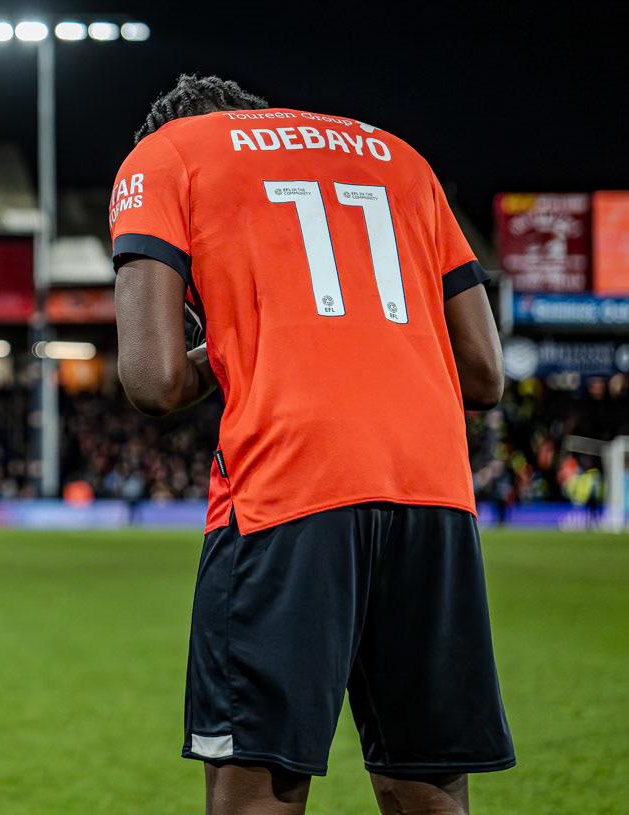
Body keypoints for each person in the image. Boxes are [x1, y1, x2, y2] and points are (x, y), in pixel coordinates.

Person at [110, 74, 512, 814]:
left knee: (258, 787)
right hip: (434, 493)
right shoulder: (400, 156)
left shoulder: (166, 155)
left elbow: (153, 380)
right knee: (428, 783)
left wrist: (233, 340)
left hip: (287, 490)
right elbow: (484, 374)